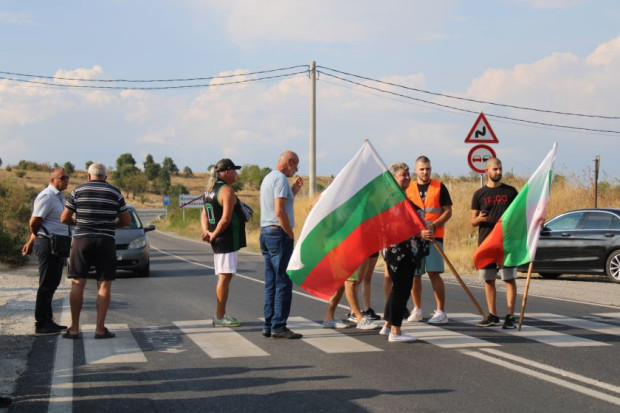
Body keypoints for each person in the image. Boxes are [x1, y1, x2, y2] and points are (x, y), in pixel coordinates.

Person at [60, 163, 130, 339]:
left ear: (88, 176)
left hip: (81, 240)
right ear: (105, 177)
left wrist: (79, 222)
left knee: (78, 282)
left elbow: (64, 218)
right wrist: (111, 224)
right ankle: (100, 329)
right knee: (104, 284)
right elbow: (126, 220)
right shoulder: (115, 193)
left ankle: (74, 328)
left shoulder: (77, 191)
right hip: (105, 241)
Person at [380, 162, 431, 342]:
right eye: (404, 174)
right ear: (394, 178)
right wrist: (419, 232)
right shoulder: (393, 201)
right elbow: (395, 228)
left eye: (409, 173)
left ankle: (387, 325)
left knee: (398, 289)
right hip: (399, 252)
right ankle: (396, 331)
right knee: (402, 289)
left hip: (405, 251)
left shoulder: (402, 198)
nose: (408, 177)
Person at [260, 150, 304, 339]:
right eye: (296, 165)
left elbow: (279, 204)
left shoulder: (269, 178)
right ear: (289, 162)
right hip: (278, 233)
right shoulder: (280, 179)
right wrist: (289, 232)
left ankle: (269, 324)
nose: (296, 169)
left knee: (271, 282)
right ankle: (279, 325)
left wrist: (294, 190)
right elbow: (279, 211)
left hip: (266, 232)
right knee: (283, 281)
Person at [21, 167, 71, 335]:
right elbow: (35, 222)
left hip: (56, 245)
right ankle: (41, 323)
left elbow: (44, 223)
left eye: (67, 177)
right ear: (52, 180)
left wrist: (31, 240)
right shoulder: (47, 196)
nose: (66, 180)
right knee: (46, 285)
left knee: (53, 283)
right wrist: (39, 237)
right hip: (48, 244)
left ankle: (48, 320)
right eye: (63, 178)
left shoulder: (60, 197)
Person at [471, 157, 519, 329]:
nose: (498, 172)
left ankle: (510, 316)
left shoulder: (511, 192)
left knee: (509, 278)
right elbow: (472, 221)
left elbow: (521, 214)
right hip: (487, 241)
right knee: (488, 279)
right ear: (487, 171)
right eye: (495, 169)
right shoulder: (479, 194)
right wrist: (479, 218)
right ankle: (492, 315)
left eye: (500, 168)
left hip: (507, 241)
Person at [405, 156, 453, 324]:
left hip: (434, 237)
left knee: (434, 273)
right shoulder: (408, 187)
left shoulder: (439, 186)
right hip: (415, 238)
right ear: (416, 170)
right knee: (415, 275)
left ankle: (441, 311)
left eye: (428, 169)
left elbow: (448, 211)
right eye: (422, 169)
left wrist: (434, 225)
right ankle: (417, 309)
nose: (425, 172)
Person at [201, 158, 246, 327]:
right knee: (225, 277)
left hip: (218, 238)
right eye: (234, 170)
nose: (236, 173)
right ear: (226, 172)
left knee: (225, 276)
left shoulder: (209, 191)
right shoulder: (226, 190)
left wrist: (207, 231)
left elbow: (204, 214)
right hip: (226, 239)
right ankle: (220, 316)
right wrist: (213, 235)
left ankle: (220, 314)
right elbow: (226, 219)